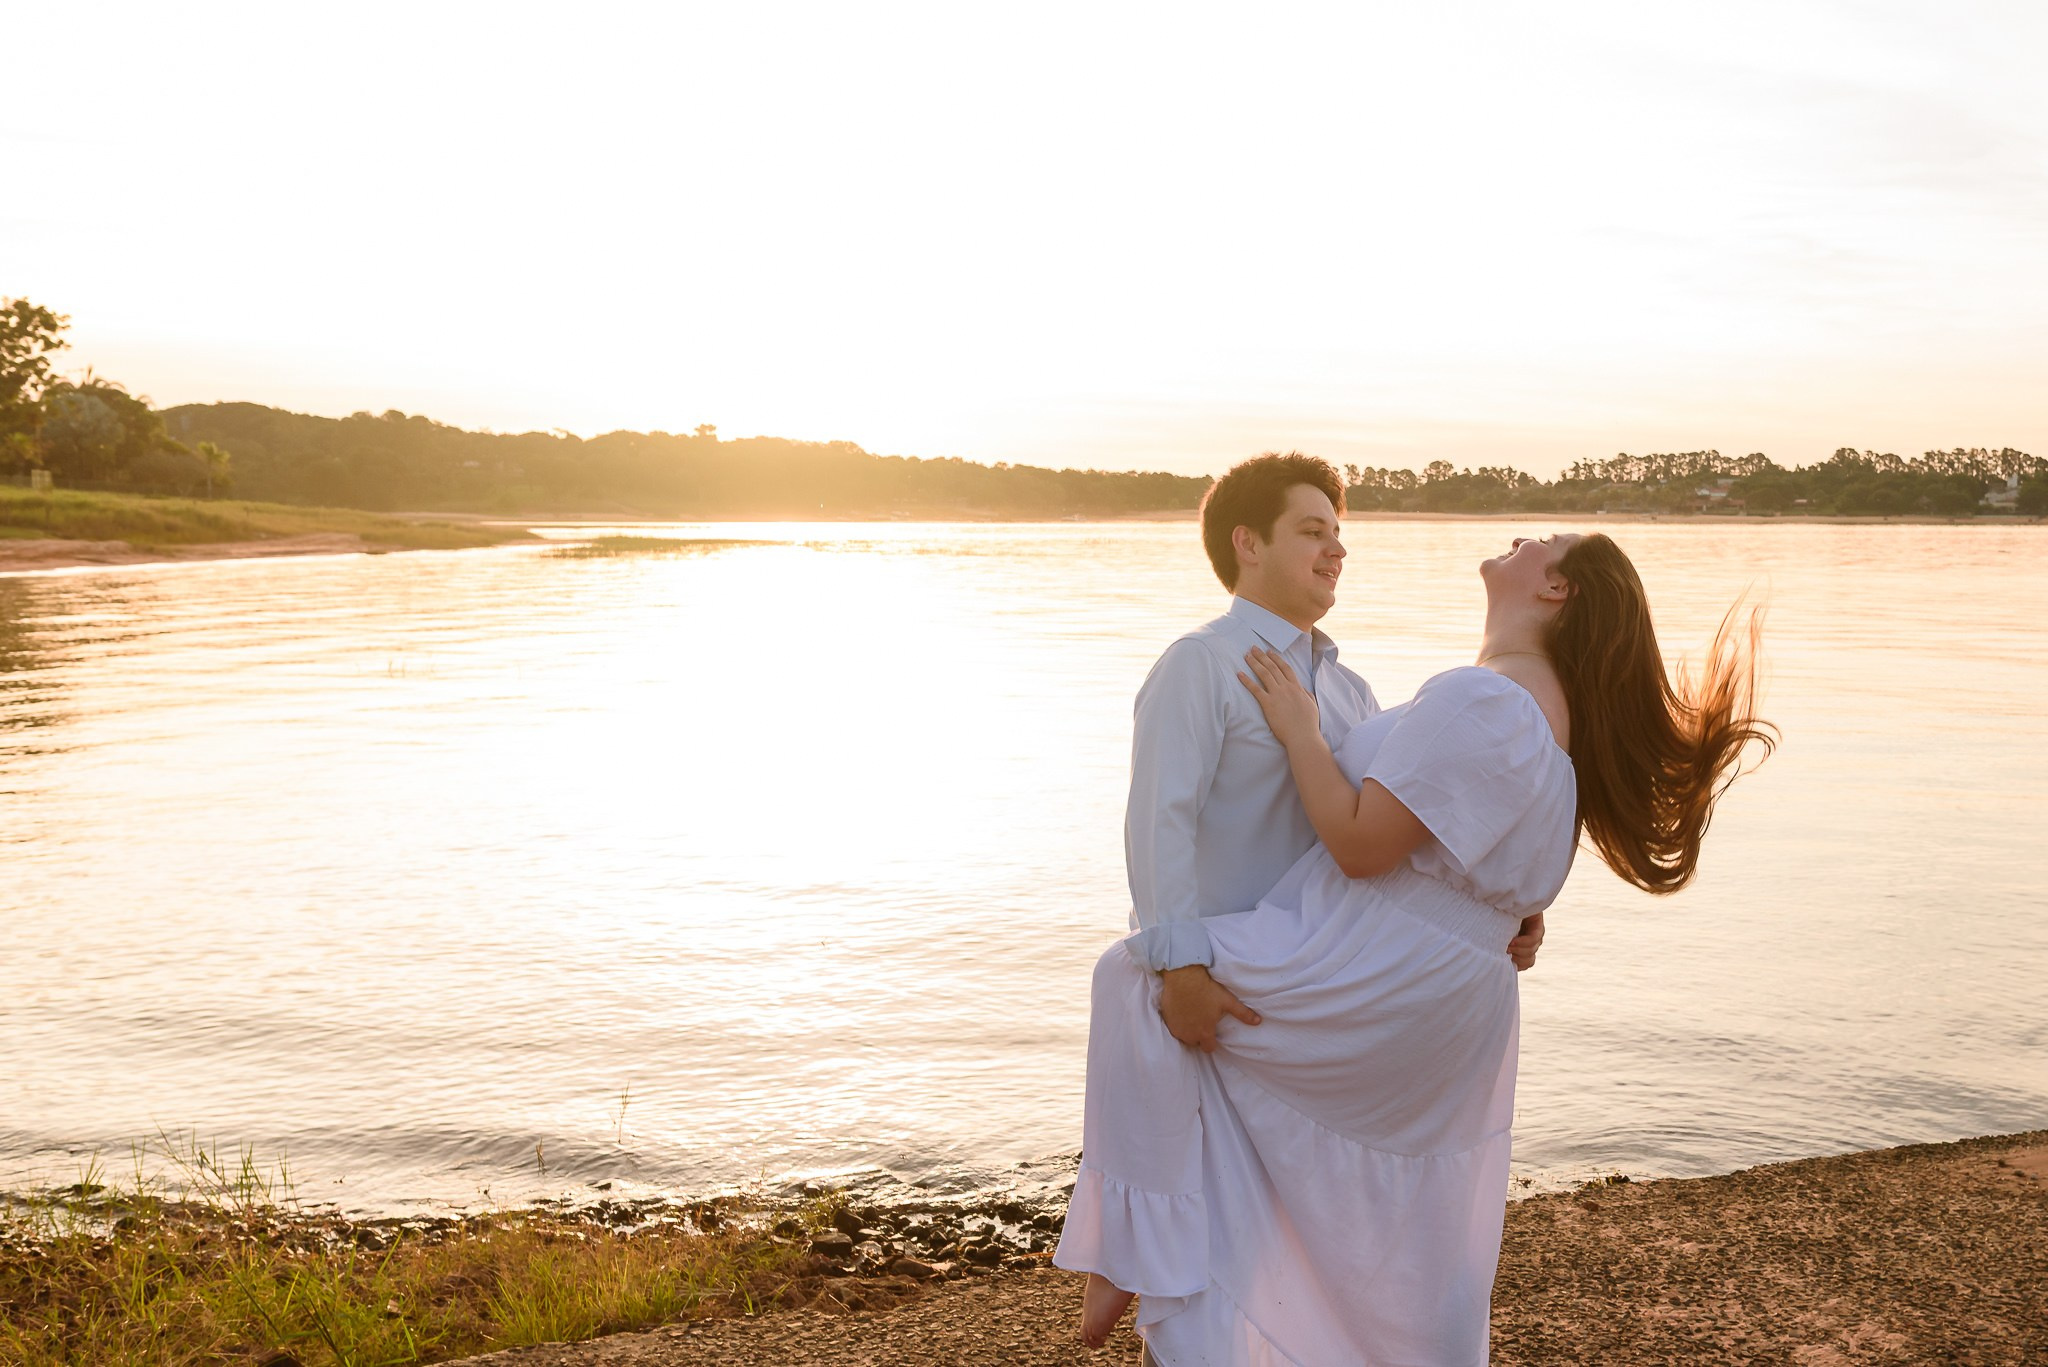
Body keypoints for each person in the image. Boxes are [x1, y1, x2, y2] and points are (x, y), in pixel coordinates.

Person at [1054, 526, 1771, 1365]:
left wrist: (1299, 731)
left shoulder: (1485, 696)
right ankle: (1180, 1259)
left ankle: (1131, 1246)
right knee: (1292, 1151)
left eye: (1544, 541)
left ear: (1557, 590)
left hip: (1383, 960)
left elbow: (1362, 846)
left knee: (1141, 978)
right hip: (1450, 983)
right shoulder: (1547, 717)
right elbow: (1507, 855)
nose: (1522, 535)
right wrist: (1510, 914)